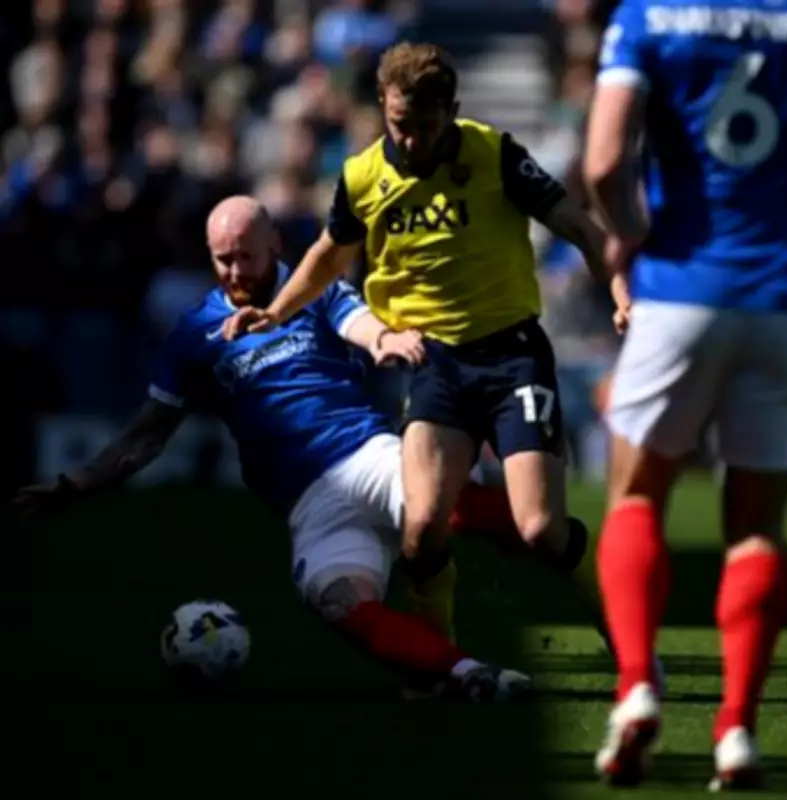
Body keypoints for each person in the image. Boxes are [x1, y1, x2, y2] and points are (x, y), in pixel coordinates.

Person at [13, 196, 531, 701]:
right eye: (223, 259)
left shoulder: (315, 290)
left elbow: (360, 324)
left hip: (363, 452)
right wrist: (76, 483)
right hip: (309, 505)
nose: (235, 271)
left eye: (246, 256)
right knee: (338, 601)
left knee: (444, 505)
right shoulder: (196, 332)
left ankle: (554, 541)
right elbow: (149, 433)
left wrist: (383, 341)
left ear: (275, 245)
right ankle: (468, 675)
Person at [221, 41, 629, 663]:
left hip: (512, 352)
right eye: (399, 126)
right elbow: (330, 255)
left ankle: (628, 642)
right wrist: (277, 311)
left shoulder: (494, 154)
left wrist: (623, 289)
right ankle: (438, 664)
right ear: (384, 108)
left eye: (426, 127)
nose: (411, 141)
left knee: (541, 531)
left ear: (452, 111)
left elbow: (576, 223)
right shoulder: (362, 177)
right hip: (434, 362)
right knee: (419, 531)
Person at [583, 0, 787, 789]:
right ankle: (737, 728)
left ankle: (637, 682)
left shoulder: (650, 16)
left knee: (637, 494)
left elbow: (605, 160)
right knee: (758, 525)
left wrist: (627, 231)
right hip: (784, 298)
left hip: (681, 288)